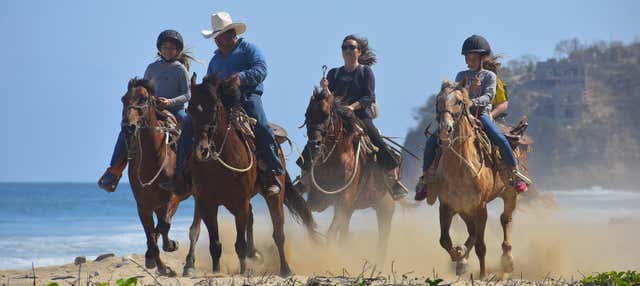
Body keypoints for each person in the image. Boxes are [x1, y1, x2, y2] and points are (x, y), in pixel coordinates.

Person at [415, 35, 530, 201]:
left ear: (482, 58)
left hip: (481, 114)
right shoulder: (461, 75)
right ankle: (427, 178)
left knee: (499, 138)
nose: (469, 60)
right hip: (461, 115)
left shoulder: (489, 76)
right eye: (467, 57)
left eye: (473, 57)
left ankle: (514, 172)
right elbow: (457, 94)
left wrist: (471, 97)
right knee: (433, 140)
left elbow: (489, 97)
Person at [98, 30, 193, 193]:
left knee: (190, 125)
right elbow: (144, 91)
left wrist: (170, 102)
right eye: (164, 47)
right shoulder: (152, 68)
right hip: (153, 109)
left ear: (177, 51)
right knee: (127, 130)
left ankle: (185, 172)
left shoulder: (180, 69)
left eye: (171, 48)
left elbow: (187, 94)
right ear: (159, 49)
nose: (168, 51)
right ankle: (114, 171)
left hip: (176, 110)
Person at [316, 34, 409, 199]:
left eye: (351, 47)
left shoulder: (365, 71)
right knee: (316, 134)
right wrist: (325, 89)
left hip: (359, 115)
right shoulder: (334, 73)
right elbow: (329, 99)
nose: (347, 50)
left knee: (375, 138)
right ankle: (304, 178)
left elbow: (368, 97)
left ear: (359, 51)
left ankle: (393, 180)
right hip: (337, 116)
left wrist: (352, 107)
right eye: (344, 47)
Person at [202, 11, 284, 195]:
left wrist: (241, 78)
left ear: (232, 34)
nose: (217, 40)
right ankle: (188, 173)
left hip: (247, 97)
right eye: (215, 37)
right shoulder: (215, 60)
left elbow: (261, 69)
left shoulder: (249, 49)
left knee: (260, 124)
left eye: (220, 36)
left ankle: (273, 171)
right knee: (199, 126)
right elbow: (209, 82)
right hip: (223, 102)